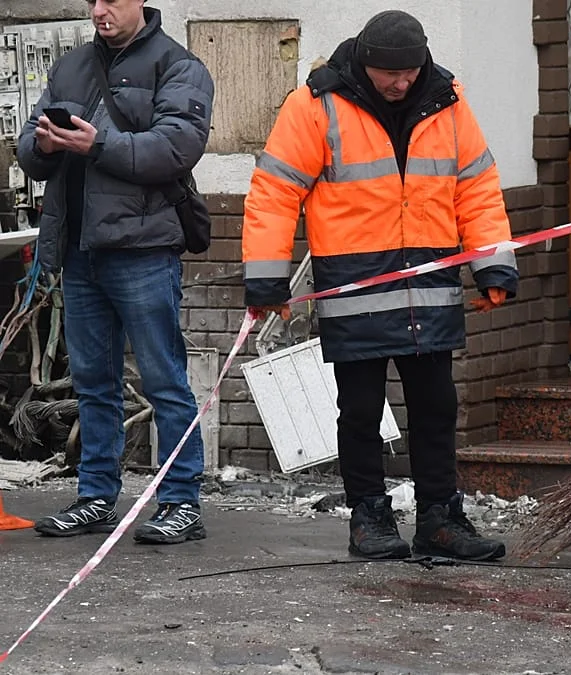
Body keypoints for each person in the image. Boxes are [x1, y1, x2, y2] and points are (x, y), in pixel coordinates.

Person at [241, 10, 518, 562]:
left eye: (410, 73)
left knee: (437, 405)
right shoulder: (315, 104)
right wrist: (267, 279)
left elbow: (477, 189)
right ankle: (369, 515)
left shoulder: (449, 102)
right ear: (364, 64)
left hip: (430, 279)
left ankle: (441, 516)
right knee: (361, 409)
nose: (400, 83)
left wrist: (493, 267)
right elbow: (274, 192)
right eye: (389, 73)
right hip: (355, 286)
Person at [17, 0, 214, 544]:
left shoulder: (180, 67)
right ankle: (97, 496)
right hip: (80, 251)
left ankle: (181, 502)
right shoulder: (70, 65)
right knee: (93, 384)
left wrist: (96, 143)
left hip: (144, 248)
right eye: (93, 1)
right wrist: (40, 144)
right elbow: (29, 150)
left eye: (112, 0)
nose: (100, 11)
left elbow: (176, 149)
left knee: (165, 381)